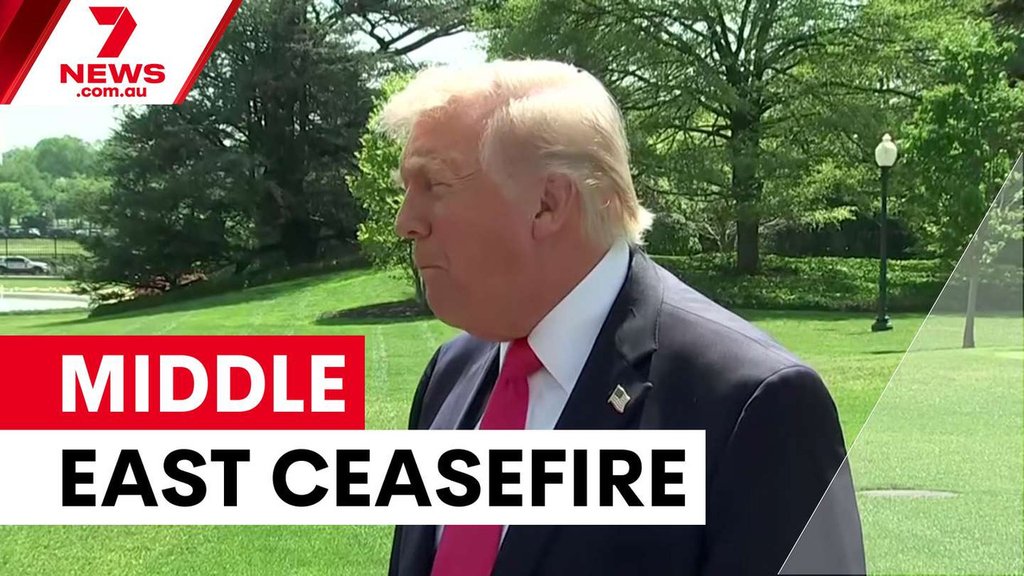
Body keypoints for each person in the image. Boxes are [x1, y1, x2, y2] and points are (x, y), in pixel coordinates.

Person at [381, 59, 865, 576]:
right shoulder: (450, 376)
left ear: (548, 203)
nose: (405, 222)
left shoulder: (757, 405)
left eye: (433, 184)